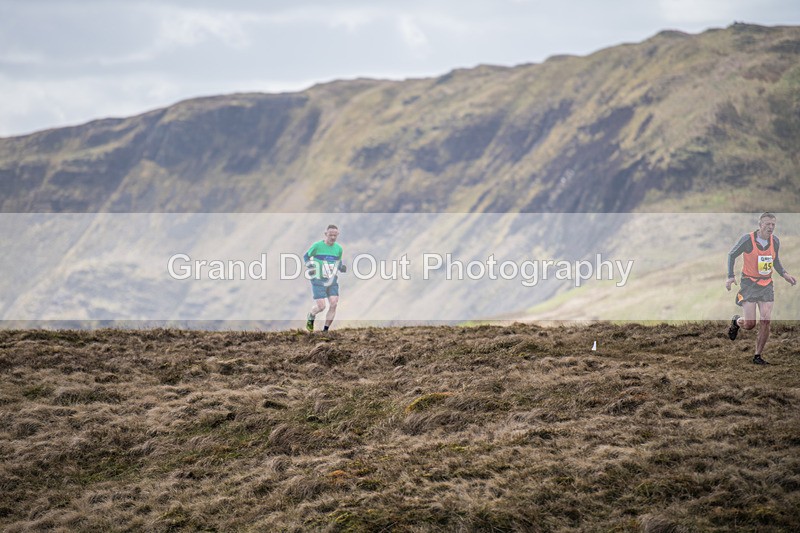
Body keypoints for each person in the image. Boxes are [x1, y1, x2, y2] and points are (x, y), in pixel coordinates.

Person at [726, 212, 796, 364]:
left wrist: (784, 274)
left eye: (773, 225)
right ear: (760, 225)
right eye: (767, 224)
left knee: (765, 320)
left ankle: (757, 356)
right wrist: (730, 276)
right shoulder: (748, 239)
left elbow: (775, 260)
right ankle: (736, 321)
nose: (770, 227)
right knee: (750, 324)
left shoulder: (775, 241)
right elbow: (731, 255)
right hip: (749, 284)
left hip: (766, 284)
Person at [304, 225, 346, 332]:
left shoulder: (339, 249)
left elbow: (338, 261)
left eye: (335, 235)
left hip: (332, 280)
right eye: (330, 235)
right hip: (318, 279)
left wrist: (341, 267)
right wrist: (311, 267)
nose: (332, 237)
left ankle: (325, 330)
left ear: (337, 235)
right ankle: (311, 315)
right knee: (321, 307)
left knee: (334, 303)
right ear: (325, 234)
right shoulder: (317, 246)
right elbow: (306, 256)